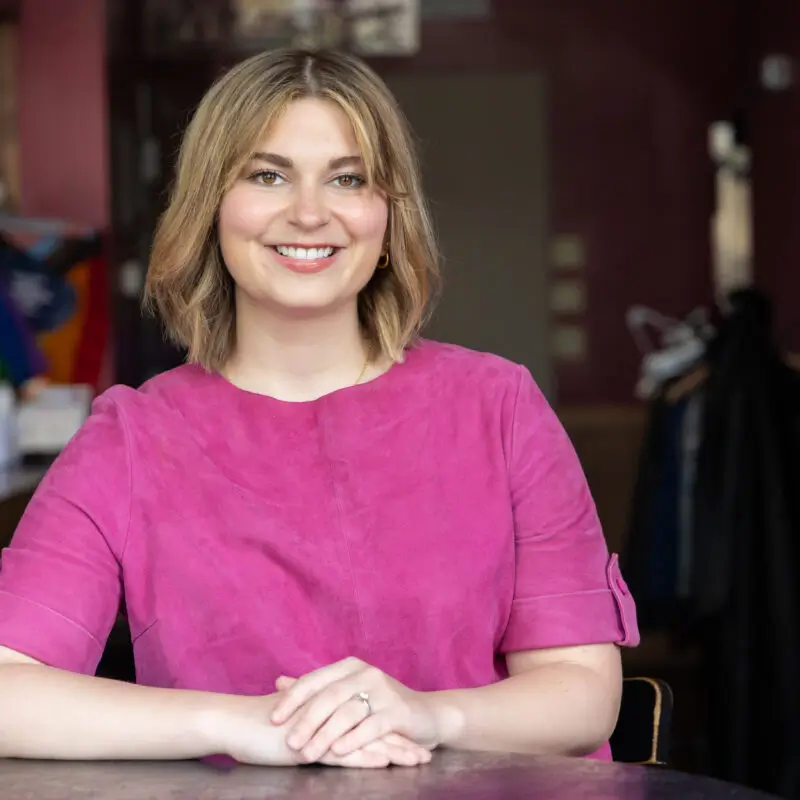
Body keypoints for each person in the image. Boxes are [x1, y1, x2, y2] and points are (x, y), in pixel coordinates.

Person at [0, 48, 639, 768]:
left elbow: (583, 693)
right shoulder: (133, 438)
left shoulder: (500, 406)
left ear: (388, 216)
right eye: (267, 175)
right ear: (211, 205)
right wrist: (240, 724)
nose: (309, 213)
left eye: (348, 179)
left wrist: (429, 715)